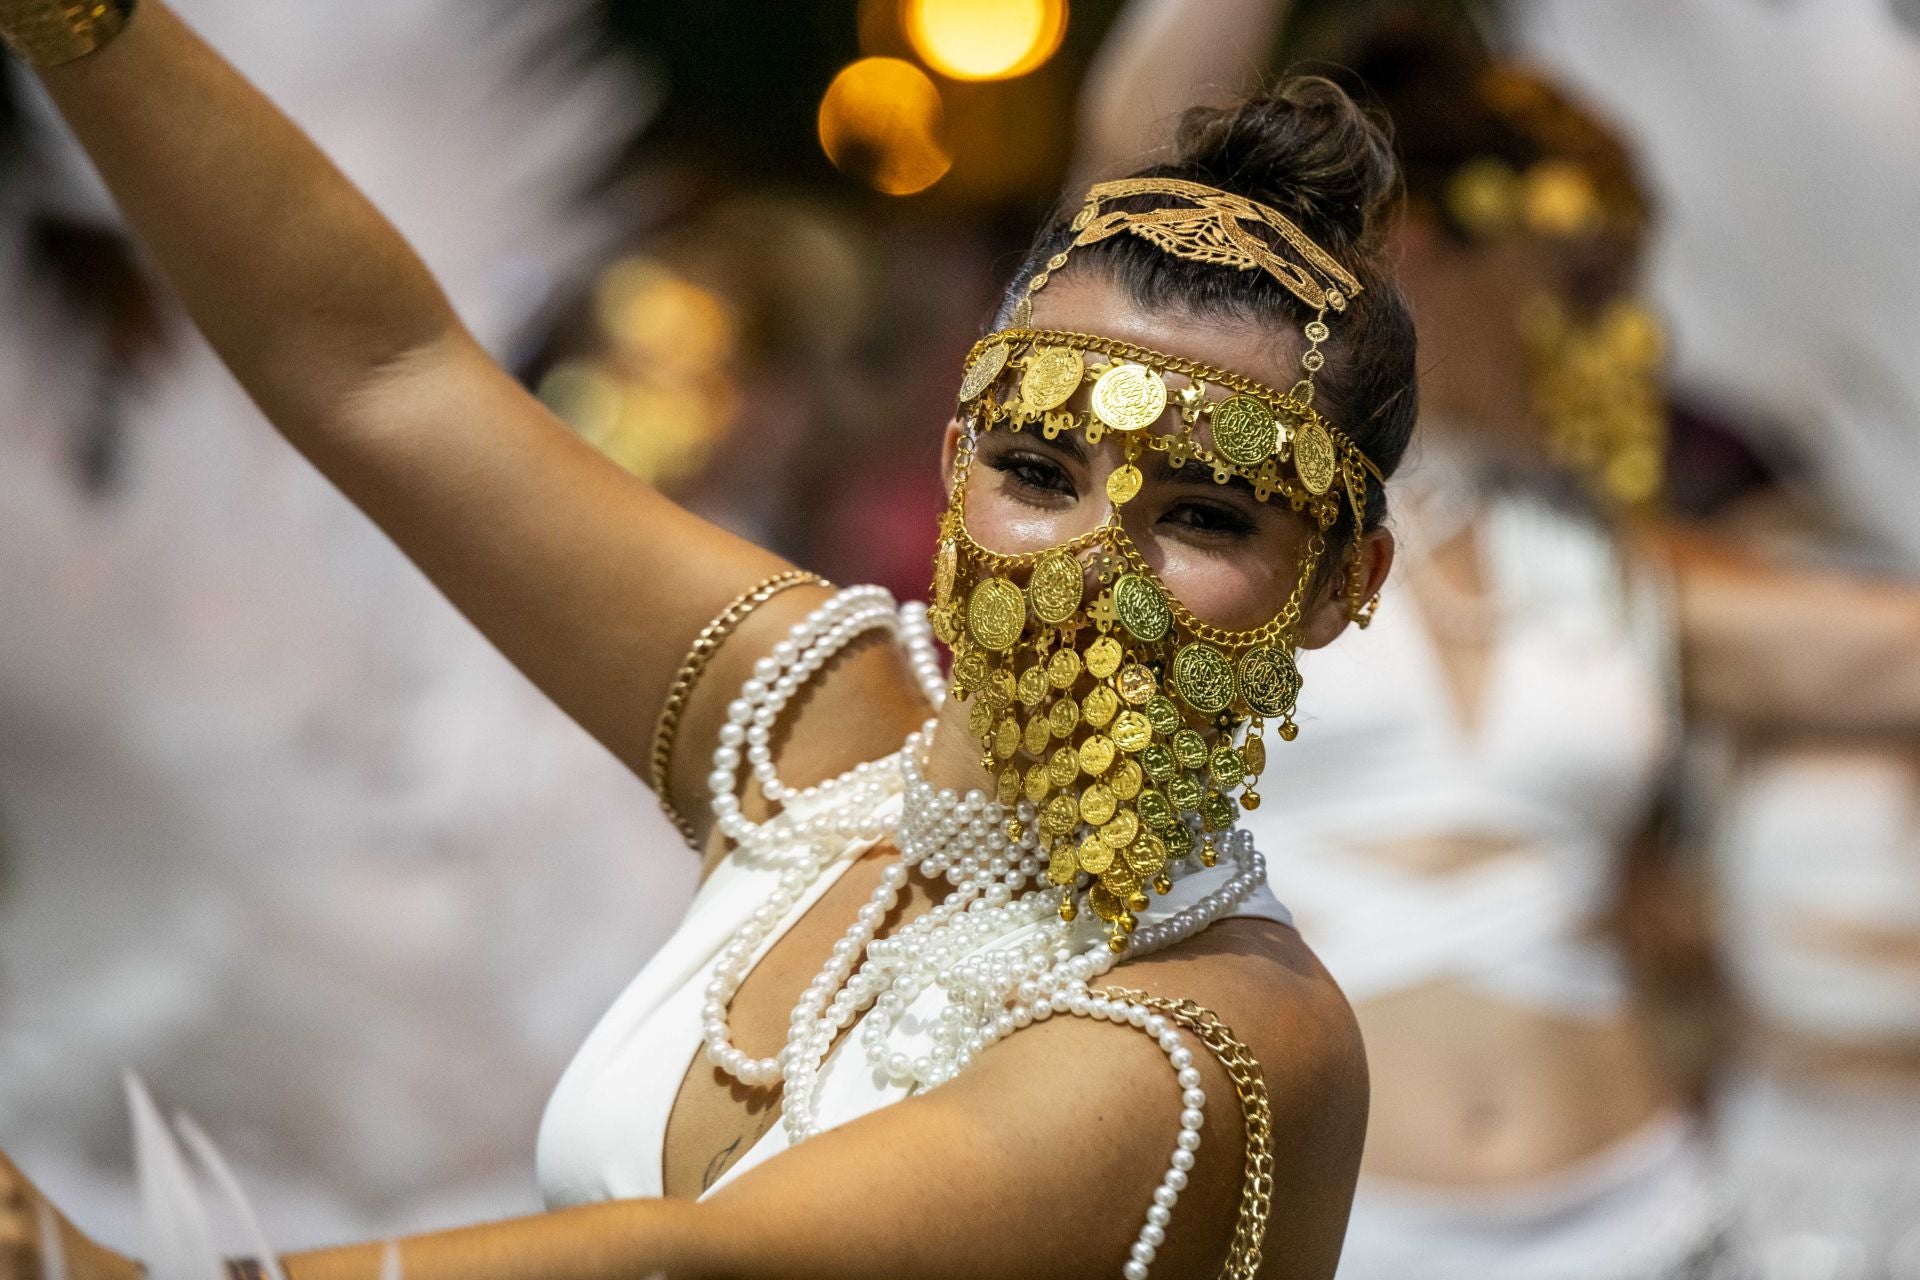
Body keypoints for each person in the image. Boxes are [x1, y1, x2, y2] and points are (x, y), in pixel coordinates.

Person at [0, 4, 1420, 1278]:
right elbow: (382, 374)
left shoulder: (1241, 1032)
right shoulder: (814, 730)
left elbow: (700, 1262)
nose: (1095, 571)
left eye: (1207, 517)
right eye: (1040, 476)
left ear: (1342, 582)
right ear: (952, 462)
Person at [1081, 7, 1920, 1280]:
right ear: (1423, 255)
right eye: (1584, 287)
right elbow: (1133, 186)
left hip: (1651, 1221)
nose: (1637, 340)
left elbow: (1886, 650)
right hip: (1322, 1220)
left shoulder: (1608, 560)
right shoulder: (1231, 504)